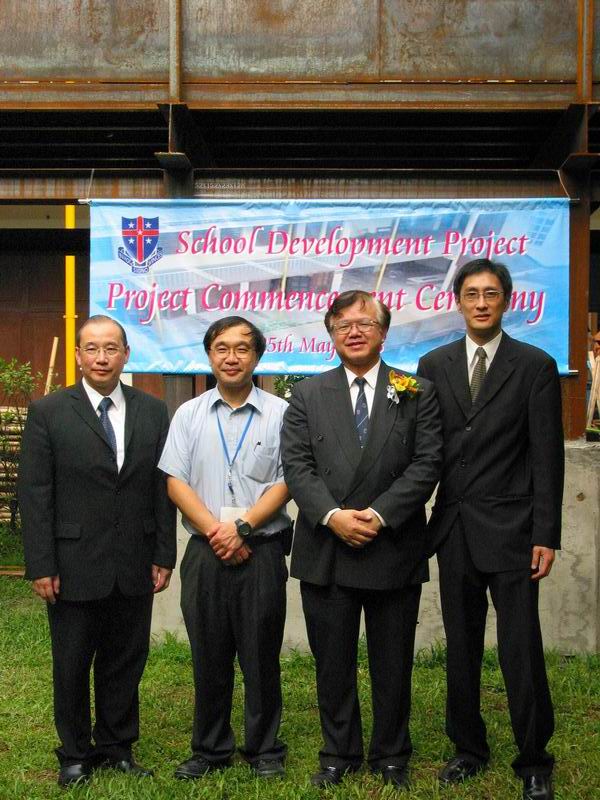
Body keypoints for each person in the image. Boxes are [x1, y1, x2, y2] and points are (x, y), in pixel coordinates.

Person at [281, 290, 442, 789]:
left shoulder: (416, 390)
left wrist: (378, 514)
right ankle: (339, 753)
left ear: (383, 332)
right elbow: (297, 466)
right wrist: (333, 516)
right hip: (326, 547)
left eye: (364, 323)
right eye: (342, 325)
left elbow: (427, 463)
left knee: (392, 662)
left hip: (391, 544)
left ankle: (392, 754)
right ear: (330, 334)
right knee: (332, 661)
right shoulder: (306, 394)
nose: (353, 332)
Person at [417, 259, 564, 800]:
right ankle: (467, 748)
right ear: (457, 301)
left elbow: (547, 457)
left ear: (507, 301)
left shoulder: (535, 365)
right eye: (472, 294)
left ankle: (534, 758)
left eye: (491, 294)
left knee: (520, 646)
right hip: (453, 528)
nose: (481, 303)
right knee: (461, 645)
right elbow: (425, 450)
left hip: (514, 530)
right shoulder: (433, 364)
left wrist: (546, 533)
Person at [18, 315, 176, 788]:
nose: (101, 357)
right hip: (72, 563)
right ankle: (74, 753)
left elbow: (161, 487)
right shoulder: (49, 411)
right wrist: (41, 563)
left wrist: (163, 553)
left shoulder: (153, 411)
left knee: (125, 659)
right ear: (78, 355)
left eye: (111, 348)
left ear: (127, 354)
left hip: (134, 560)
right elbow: (35, 493)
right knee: (71, 663)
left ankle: (116, 746)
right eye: (92, 348)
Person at [159, 316, 292, 780]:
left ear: (257, 356)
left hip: (262, 550)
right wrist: (219, 532)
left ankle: (264, 749)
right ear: (209, 355)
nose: (231, 357)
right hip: (205, 551)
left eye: (241, 348)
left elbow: (289, 479)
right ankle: (210, 748)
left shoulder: (281, 413)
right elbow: (175, 481)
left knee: (261, 655)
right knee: (208, 655)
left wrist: (243, 527)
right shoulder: (188, 414)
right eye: (221, 348)